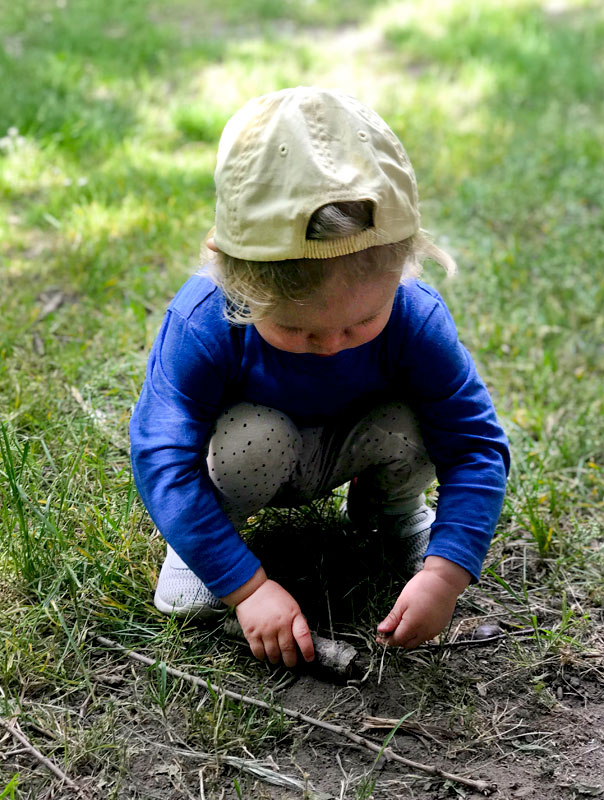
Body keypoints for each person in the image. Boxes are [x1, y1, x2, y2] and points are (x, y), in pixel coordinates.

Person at [130, 87, 510, 669]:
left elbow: (475, 444)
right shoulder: (205, 318)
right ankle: (208, 544)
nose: (331, 344)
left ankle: (392, 512)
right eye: (298, 330)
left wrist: (446, 573)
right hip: (251, 456)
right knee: (250, 437)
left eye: (362, 323)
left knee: (417, 419)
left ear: (405, 265)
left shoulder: (415, 317)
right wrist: (247, 588)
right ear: (236, 281)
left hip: (354, 443)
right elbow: (162, 454)